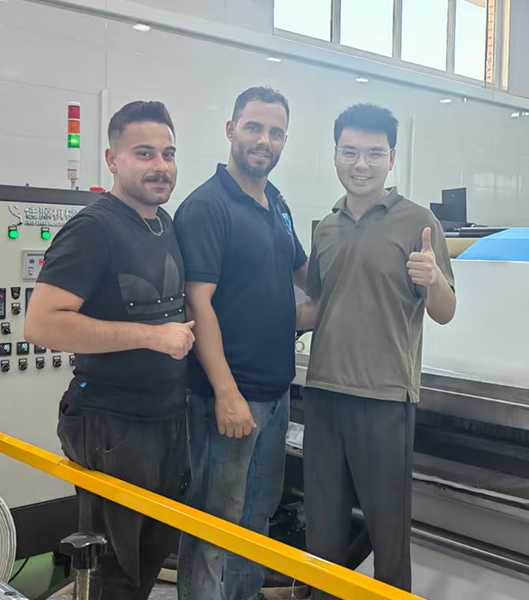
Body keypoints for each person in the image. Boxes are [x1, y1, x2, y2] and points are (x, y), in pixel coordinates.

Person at [25, 101, 194, 600]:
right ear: (112, 159)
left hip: (165, 420)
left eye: (168, 154)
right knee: (114, 571)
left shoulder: (164, 224)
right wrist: (151, 336)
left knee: (146, 562)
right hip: (112, 425)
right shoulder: (93, 229)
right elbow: (41, 324)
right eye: (144, 153)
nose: (160, 166)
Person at [296, 104, 456, 598]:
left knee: (388, 535)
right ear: (335, 155)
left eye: (372, 154)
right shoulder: (326, 226)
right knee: (322, 530)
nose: (360, 164)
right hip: (323, 393)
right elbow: (317, 306)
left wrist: (433, 279)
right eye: (350, 152)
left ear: (391, 159)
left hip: (385, 398)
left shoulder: (418, 222)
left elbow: (445, 311)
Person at [173, 86, 308, 600]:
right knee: (214, 523)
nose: (264, 140)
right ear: (231, 130)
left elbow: (306, 279)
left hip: (275, 396)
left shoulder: (277, 204)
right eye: (254, 127)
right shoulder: (207, 207)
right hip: (227, 399)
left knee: (256, 519)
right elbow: (198, 305)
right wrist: (226, 393)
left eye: (276, 132)